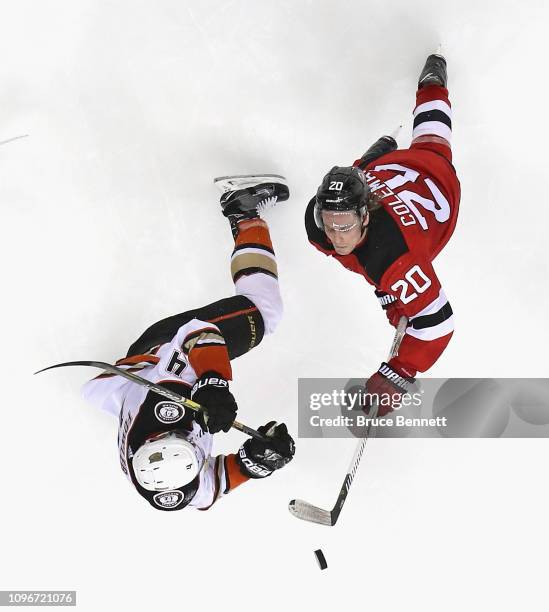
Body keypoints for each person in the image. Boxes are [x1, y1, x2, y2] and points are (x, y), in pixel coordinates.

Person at [82, 175, 295, 511]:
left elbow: (199, 334)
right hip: (136, 384)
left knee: (265, 313)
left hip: (163, 351)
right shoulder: (170, 488)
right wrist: (256, 461)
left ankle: (242, 211)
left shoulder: (164, 406)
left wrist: (213, 385)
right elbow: (216, 484)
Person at [305, 54, 460, 413]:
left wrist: (399, 372)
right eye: (329, 221)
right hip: (385, 170)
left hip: (435, 184)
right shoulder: (319, 223)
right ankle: (392, 137)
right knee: (401, 153)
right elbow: (351, 187)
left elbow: (437, 323)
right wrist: (366, 163)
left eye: (344, 226)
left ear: (365, 215)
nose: (335, 234)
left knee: (434, 143)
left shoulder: (397, 259)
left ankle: (433, 86)